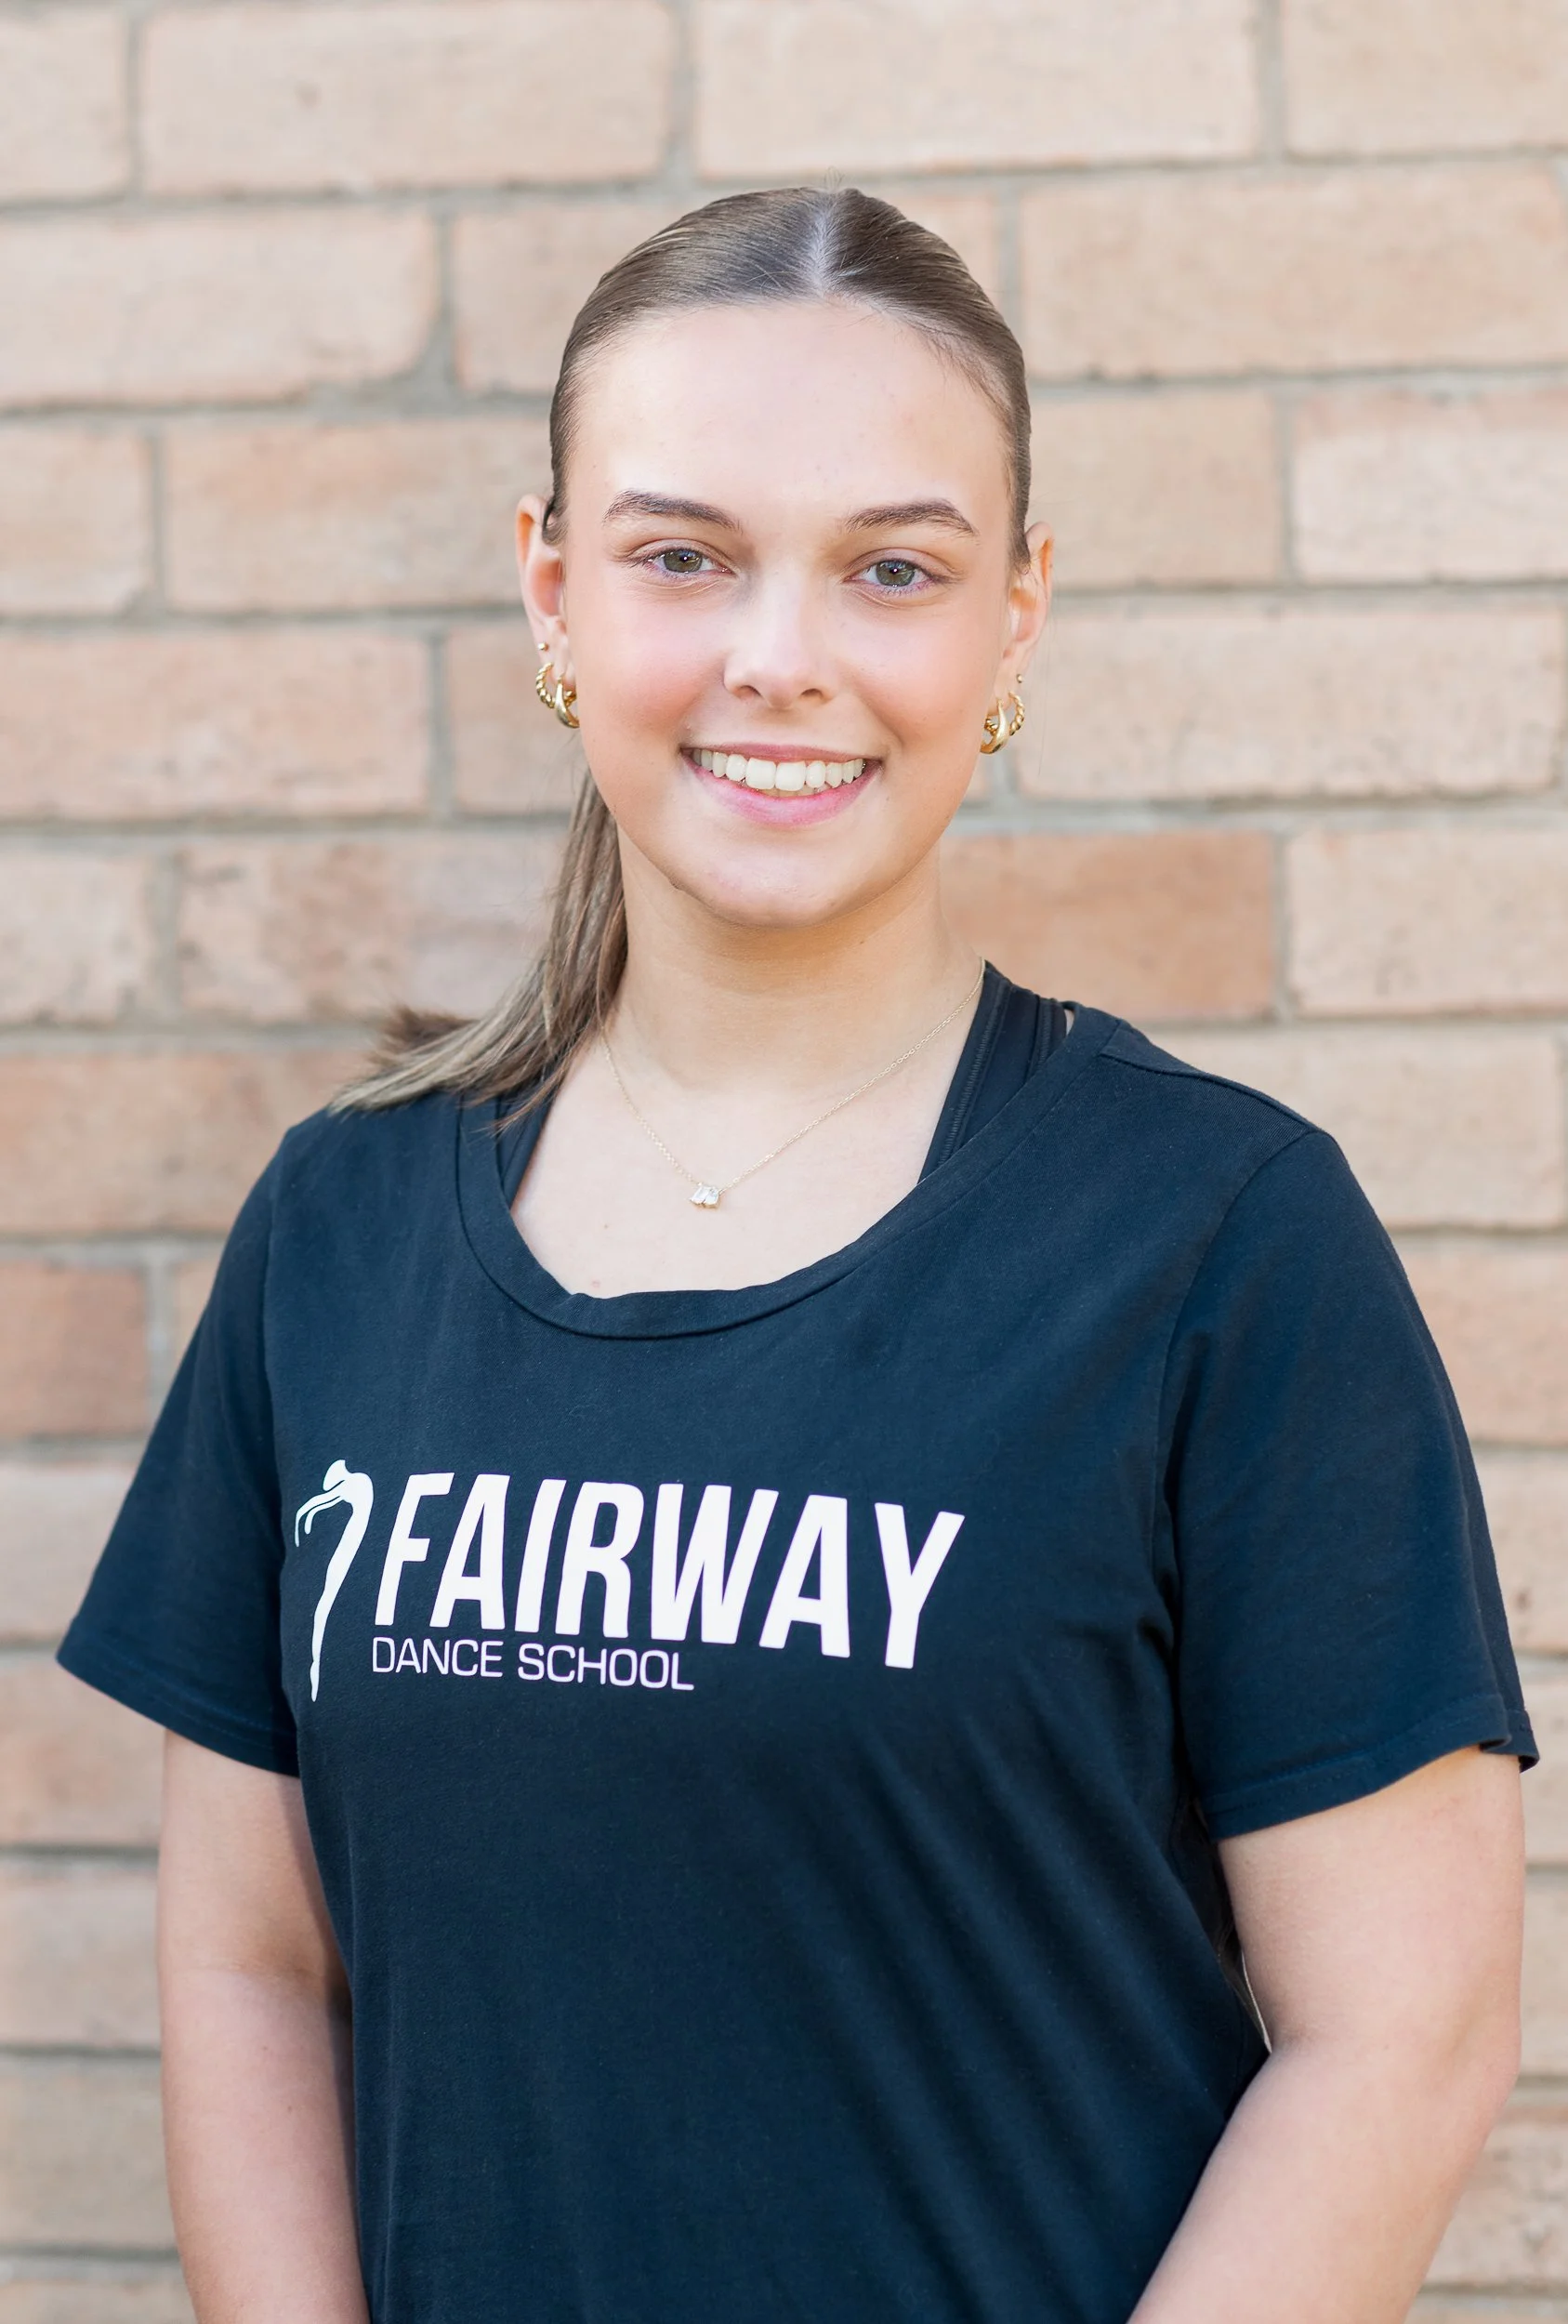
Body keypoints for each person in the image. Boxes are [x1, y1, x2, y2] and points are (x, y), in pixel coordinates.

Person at [60, 189, 1532, 2324]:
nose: (784, 652)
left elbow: (1401, 2039)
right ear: (551, 591)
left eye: (894, 568)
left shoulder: (1219, 1240)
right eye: (684, 555)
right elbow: (251, 1960)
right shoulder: (340, 1229)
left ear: (1014, 622)